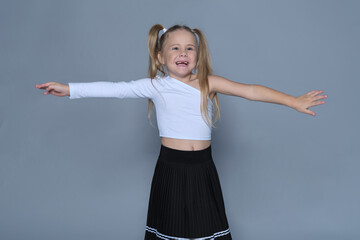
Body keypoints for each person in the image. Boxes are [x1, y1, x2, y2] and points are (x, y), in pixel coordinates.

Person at [35, 24, 326, 240]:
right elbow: (116, 89)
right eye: (175, 48)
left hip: (202, 168)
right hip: (171, 167)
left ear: (197, 56)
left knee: (206, 229)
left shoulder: (207, 83)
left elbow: (250, 91)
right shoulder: (156, 85)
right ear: (161, 57)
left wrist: (293, 101)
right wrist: (70, 89)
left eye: (190, 48)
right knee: (171, 229)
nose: (183, 53)